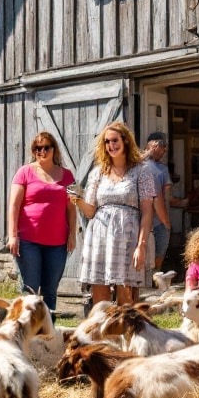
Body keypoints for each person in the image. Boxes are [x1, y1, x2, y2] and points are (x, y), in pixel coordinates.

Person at [72, 122, 156, 306]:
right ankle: (103, 333)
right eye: (107, 141)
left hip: (128, 236)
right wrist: (77, 199)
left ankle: (127, 333)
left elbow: (147, 212)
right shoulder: (98, 172)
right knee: (100, 298)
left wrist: (141, 246)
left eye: (115, 140)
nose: (111, 145)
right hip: (100, 235)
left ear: (126, 141)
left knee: (126, 297)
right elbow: (90, 211)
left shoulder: (142, 171)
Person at [6, 132, 76, 311]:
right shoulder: (24, 172)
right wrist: (12, 236)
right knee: (30, 291)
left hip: (57, 243)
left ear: (54, 149)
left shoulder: (67, 176)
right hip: (29, 241)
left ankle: (48, 333)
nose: (42, 151)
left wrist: (72, 235)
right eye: (38, 148)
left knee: (50, 291)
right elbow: (13, 206)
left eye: (46, 147)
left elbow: (71, 208)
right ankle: (26, 331)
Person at [143, 133, 173, 271]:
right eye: (161, 145)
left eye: (165, 146)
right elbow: (160, 198)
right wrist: (166, 222)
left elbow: (167, 198)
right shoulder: (140, 166)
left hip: (155, 221)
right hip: (153, 222)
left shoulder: (163, 169)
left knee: (156, 261)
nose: (164, 149)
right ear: (150, 145)